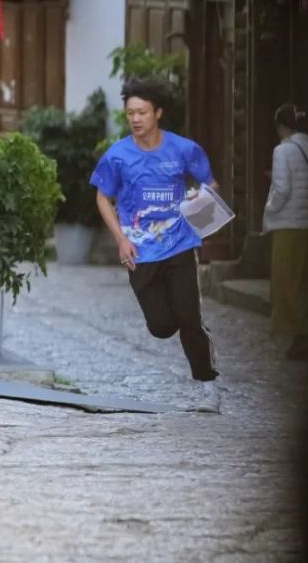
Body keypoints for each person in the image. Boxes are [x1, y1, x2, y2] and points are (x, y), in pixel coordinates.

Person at [90, 77, 221, 413]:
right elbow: (103, 198)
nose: (135, 119)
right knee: (161, 327)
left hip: (179, 245)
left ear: (158, 113)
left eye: (142, 112)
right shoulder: (117, 156)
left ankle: (209, 389)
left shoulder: (183, 149)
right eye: (130, 113)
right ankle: (180, 314)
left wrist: (199, 207)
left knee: (190, 320)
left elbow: (211, 184)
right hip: (140, 251)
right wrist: (121, 240)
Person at [263, 103, 308, 360]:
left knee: (288, 282)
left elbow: (283, 189)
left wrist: (270, 209)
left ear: (282, 126)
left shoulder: (283, 150)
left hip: (289, 225)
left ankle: (303, 334)